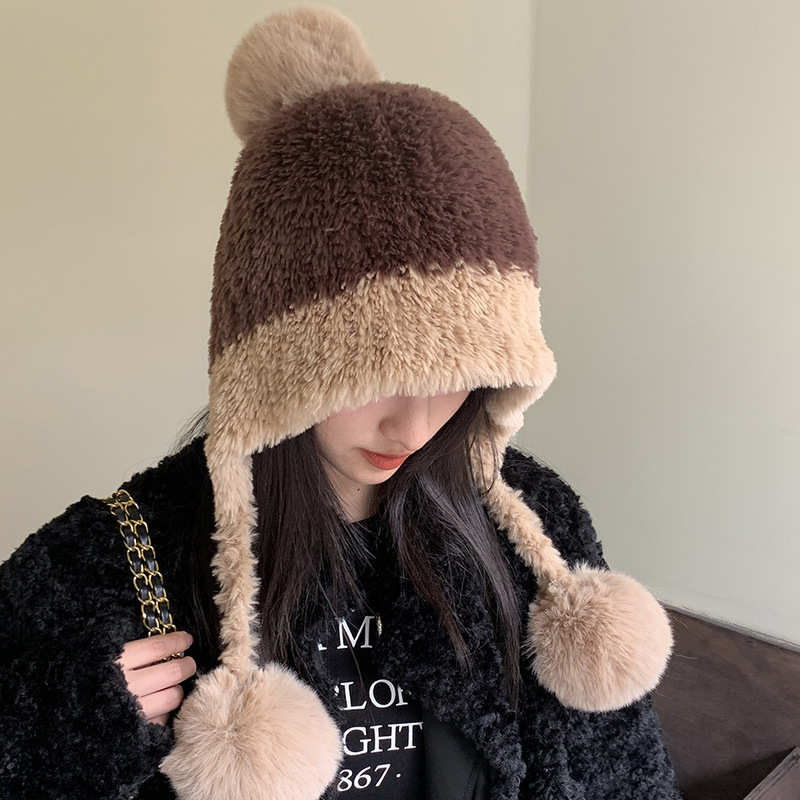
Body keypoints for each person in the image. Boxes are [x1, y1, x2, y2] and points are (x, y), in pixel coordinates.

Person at [0, 7, 680, 800]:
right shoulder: (118, 558)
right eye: (374, 376)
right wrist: (61, 724)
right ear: (276, 358)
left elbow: (628, 781)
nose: (414, 425)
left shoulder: (537, 529)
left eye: (456, 373)